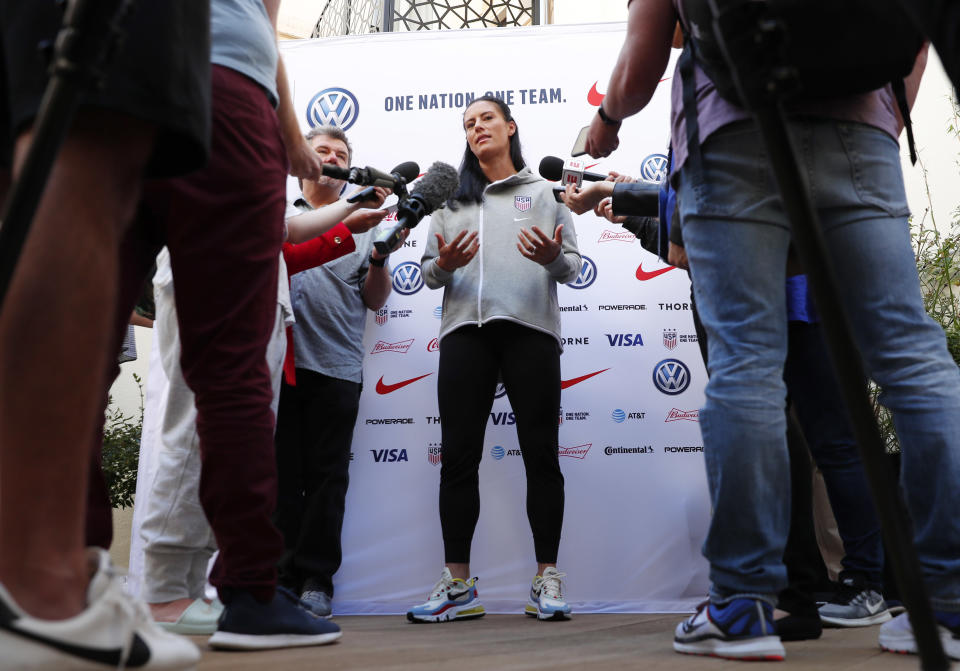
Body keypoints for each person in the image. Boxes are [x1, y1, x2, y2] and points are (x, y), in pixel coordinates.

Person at [585, 0, 960, 662]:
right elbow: (921, 35)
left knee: (747, 365)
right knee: (914, 359)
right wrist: (888, 114)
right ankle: (951, 602)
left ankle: (743, 603)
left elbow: (639, 66)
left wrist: (608, 120)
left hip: (732, 130)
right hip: (862, 129)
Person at [134, 132, 389, 635]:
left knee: (228, 452)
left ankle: (195, 593)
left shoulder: (251, 150)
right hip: (216, 282)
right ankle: (167, 594)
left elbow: (282, 233)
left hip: (254, 295)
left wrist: (349, 216)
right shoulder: (223, 120)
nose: (329, 160)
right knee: (195, 441)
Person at [408, 95, 581, 623]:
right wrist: (443, 262)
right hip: (464, 333)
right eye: (468, 124)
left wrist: (552, 258)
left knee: (541, 456)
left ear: (510, 126)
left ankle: (545, 578)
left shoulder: (546, 192)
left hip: (531, 332)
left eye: (486, 118)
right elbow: (428, 273)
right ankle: (458, 586)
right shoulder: (449, 201)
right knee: (458, 457)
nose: (477, 128)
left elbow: (573, 266)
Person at [274, 125, 404, 619]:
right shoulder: (279, 214)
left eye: (341, 154)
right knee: (280, 478)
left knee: (327, 480)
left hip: (338, 366)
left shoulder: (368, 219)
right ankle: (280, 580)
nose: (330, 158)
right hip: (278, 366)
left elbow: (374, 299)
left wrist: (379, 258)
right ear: (302, 158)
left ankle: (315, 581)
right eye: (321, 150)